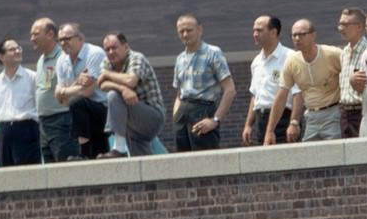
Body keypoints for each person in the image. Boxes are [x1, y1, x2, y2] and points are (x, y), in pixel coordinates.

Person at [265, 19, 344, 143]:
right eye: (294, 35)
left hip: (334, 113)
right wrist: (270, 131)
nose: (297, 38)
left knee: (335, 155)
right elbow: (281, 96)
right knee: (309, 157)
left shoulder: (333, 54)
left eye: (302, 34)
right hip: (311, 117)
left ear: (313, 35)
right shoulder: (292, 62)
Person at [171, 14, 235, 151]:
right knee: (182, 163)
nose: (185, 34)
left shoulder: (213, 53)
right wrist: (176, 116)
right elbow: (179, 94)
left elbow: (230, 90)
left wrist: (215, 120)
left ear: (200, 30)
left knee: (206, 163)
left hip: (204, 110)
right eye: (181, 31)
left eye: (189, 30)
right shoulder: (180, 59)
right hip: (182, 114)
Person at [98, 32, 165, 157]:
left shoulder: (137, 58)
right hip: (131, 121)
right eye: (107, 49)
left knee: (113, 96)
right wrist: (122, 89)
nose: (111, 52)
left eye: (114, 47)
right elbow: (102, 85)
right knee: (141, 164)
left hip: (152, 116)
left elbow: (131, 81)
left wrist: (107, 75)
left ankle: (119, 149)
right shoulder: (106, 62)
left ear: (126, 47)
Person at [242, 15, 301, 146]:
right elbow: (255, 96)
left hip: (283, 120)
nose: (255, 34)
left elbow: (298, 93)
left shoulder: (290, 57)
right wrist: (248, 125)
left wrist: (294, 122)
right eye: (254, 30)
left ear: (274, 32)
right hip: (260, 119)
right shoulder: (256, 62)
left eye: (259, 30)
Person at [54, 22, 110, 159]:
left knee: (77, 102)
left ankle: (83, 153)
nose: (63, 43)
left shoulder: (94, 54)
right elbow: (61, 100)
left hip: (103, 110)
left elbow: (87, 92)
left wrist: (65, 91)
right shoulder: (61, 60)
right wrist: (77, 82)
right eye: (60, 40)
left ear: (81, 39)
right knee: (99, 156)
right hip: (83, 116)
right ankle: (88, 155)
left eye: (67, 38)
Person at [0, 38, 40, 167]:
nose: (17, 51)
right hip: (4, 131)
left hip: (27, 129)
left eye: (18, 48)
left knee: (28, 172)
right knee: (5, 172)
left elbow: (40, 106)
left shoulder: (32, 77)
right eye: (12, 49)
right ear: (1, 56)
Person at [30, 17, 79, 163]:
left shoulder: (64, 57)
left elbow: (75, 85)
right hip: (44, 123)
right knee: (51, 172)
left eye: (36, 34)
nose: (32, 38)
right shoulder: (41, 60)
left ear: (51, 34)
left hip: (62, 120)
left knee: (66, 168)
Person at [335, 7, 367, 138]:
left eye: (345, 24)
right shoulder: (344, 52)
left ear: (359, 27)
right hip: (345, 114)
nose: (341, 28)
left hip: (362, 111)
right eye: (340, 24)